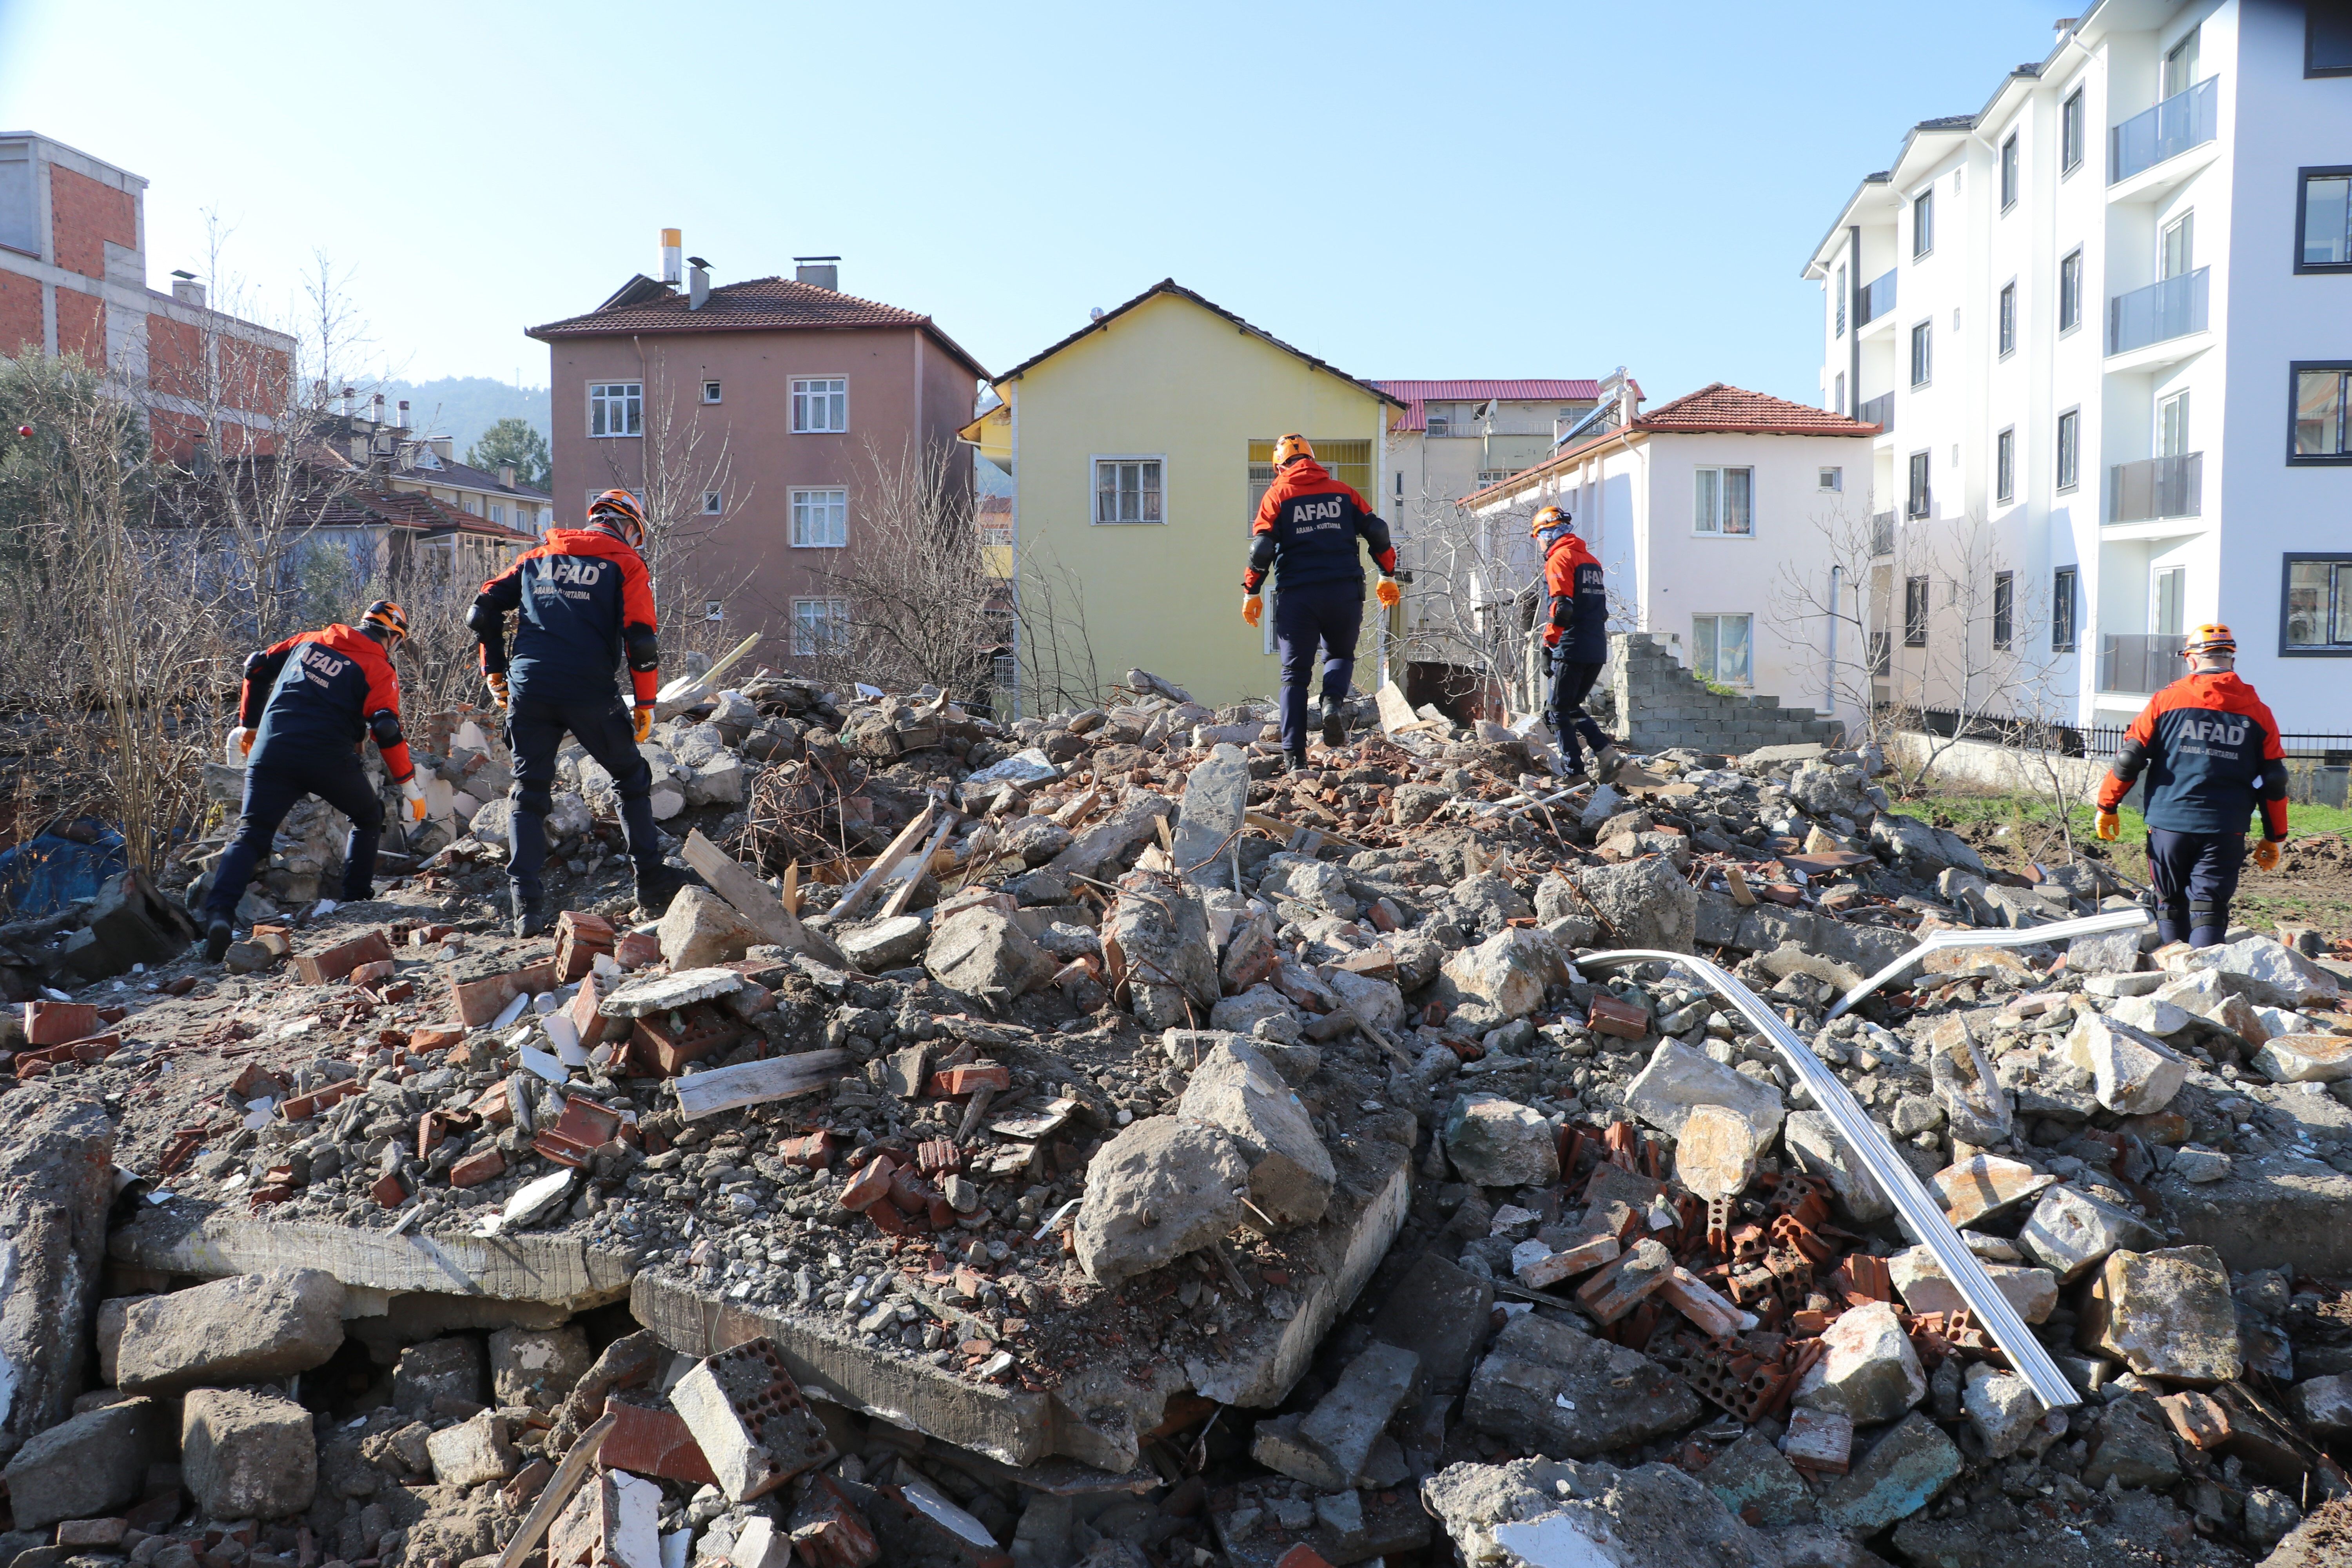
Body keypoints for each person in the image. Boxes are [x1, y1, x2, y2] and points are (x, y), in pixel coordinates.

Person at [472, 488, 682, 936]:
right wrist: (646, 702)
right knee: (630, 777)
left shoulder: (536, 557)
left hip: (530, 687)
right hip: (588, 690)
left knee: (529, 791)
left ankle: (526, 909)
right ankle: (651, 882)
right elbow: (642, 640)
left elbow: (482, 608)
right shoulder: (626, 563)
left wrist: (494, 669)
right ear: (629, 528)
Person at [204, 601, 428, 961]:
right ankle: (355, 898)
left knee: (251, 834)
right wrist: (409, 785)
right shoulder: (377, 668)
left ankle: (219, 916)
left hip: (272, 750)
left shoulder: (310, 640)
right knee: (368, 816)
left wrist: (249, 726)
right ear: (392, 637)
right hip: (326, 758)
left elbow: (256, 665)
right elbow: (386, 728)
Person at [2095, 623, 2288, 948]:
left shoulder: (2165, 701)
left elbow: (2129, 759)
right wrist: (2275, 836)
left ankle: (2173, 972)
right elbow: (2274, 780)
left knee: (2170, 902)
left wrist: (2107, 805)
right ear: (2231, 660)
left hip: (2169, 824)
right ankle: (2205, 974)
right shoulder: (2259, 712)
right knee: (2209, 907)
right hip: (2226, 827)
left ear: (2192, 659)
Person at [1240, 434, 1402, 769]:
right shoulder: (1343, 492)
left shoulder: (1277, 495)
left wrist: (1252, 591)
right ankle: (1332, 703)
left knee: (1294, 676)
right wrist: (1387, 574)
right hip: (1344, 590)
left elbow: (1262, 549)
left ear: (1279, 466)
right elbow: (1378, 530)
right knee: (1339, 655)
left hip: (1298, 595)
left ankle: (1294, 759)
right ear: (1312, 461)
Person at [1535, 505, 1623, 782]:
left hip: (1571, 647)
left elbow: (1562, 608)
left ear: (1548, 534)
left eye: (1539, 537)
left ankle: (1574, 774)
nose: (1539, 543)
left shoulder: (1559, 558)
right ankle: (1607, 755)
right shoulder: (1590, 560)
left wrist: (1548, 644)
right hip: (1595, 647)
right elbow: (1601, 610)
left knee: (1556, 711)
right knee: (1570, 706)